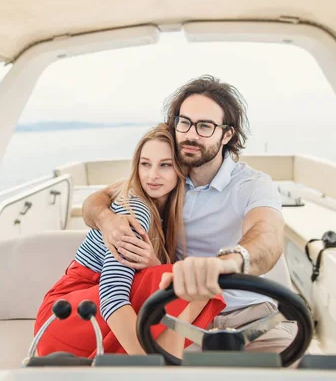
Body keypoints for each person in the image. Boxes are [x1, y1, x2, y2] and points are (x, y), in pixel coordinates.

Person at [82, 75, 295, 353]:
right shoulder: (166, 179)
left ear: (227, 134)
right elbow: (95, 202)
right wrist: (108, 221)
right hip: (185, 317)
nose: (191, 134)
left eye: (205, 126)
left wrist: (223, 264)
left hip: (253, 316)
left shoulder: (253, 184)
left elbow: (267, 238)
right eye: (184, 122)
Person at [34, 123, 226, 359]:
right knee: (188, 282)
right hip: (67, 317)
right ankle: (160, 369)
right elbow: (112, 294)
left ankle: (168, 365)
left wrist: (156, 264)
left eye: (164, 165)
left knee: (196, 282)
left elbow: (150, 276)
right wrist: (144, 365)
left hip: (80, 314)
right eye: (145, 164)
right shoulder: (136, 211)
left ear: (181, 169)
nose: (152, 175)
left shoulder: (166, 212)